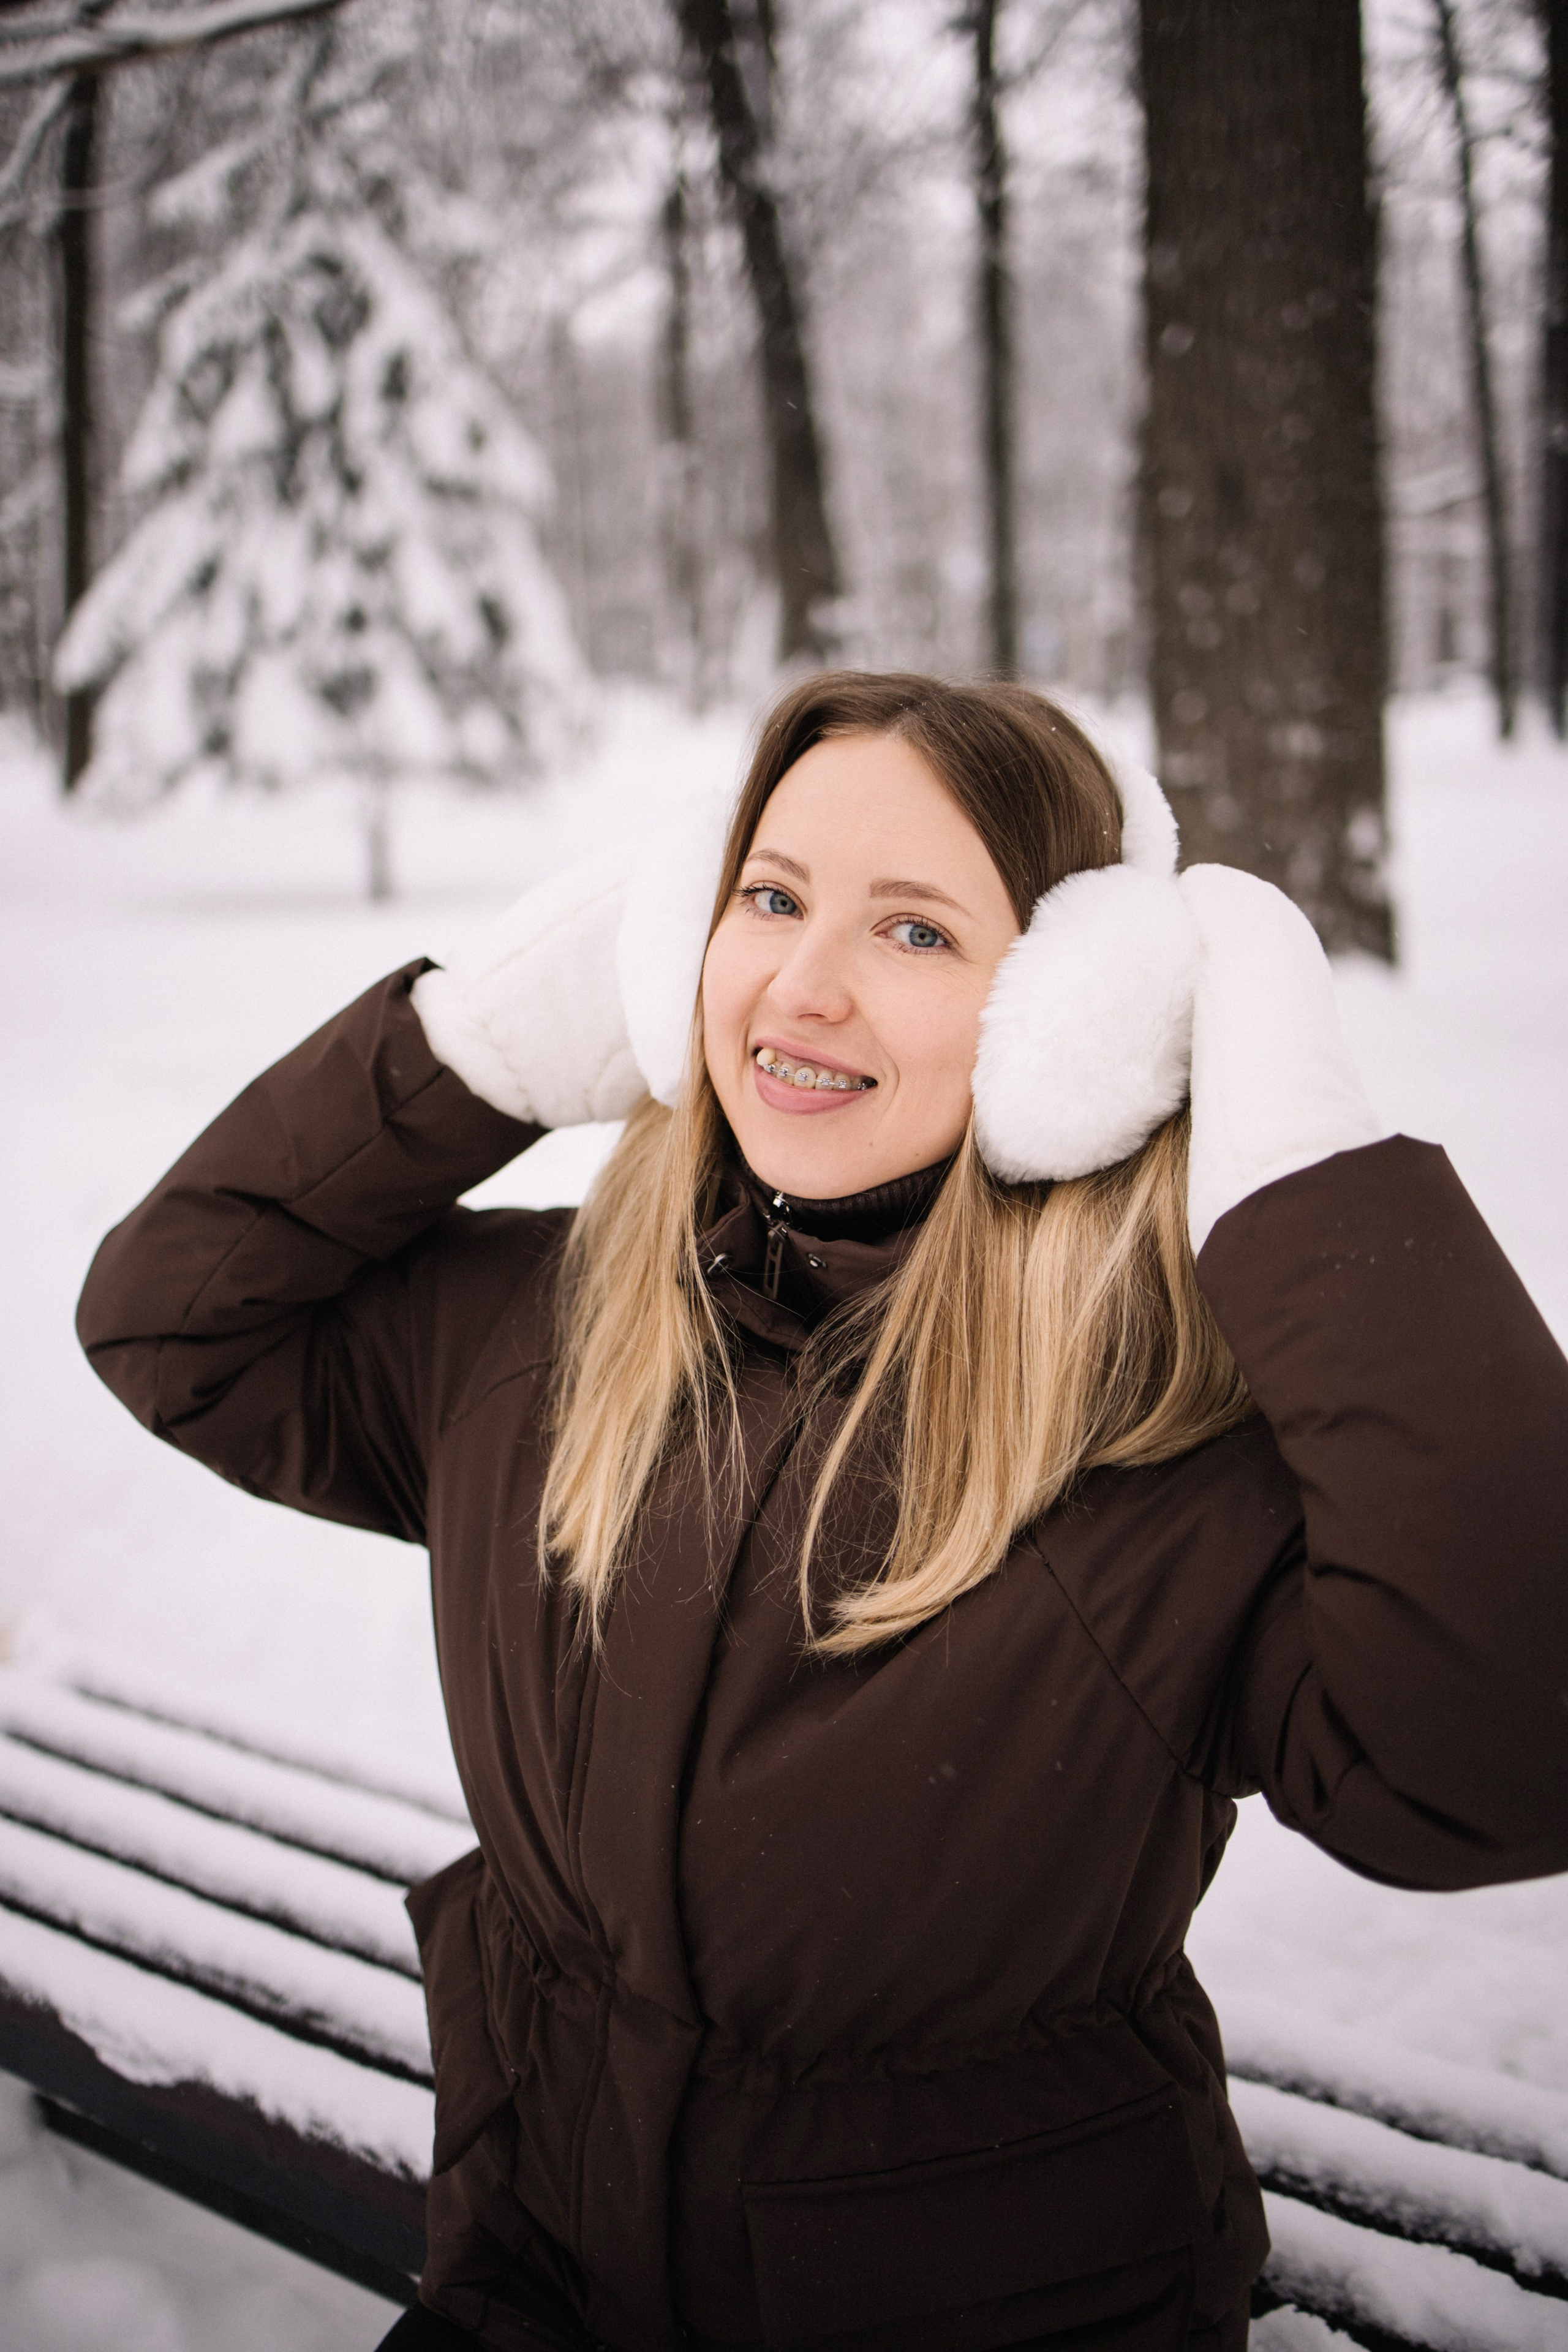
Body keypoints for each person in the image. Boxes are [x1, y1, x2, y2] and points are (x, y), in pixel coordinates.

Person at [77, 673, 1568, 2352]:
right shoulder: (546, 1333)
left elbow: (1501, 1762)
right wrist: (468, 1049)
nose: (801, 984)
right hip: (533, 2269)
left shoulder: (1167, 1460)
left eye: (916, 934)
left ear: (1075, 1023)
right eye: (768, 899)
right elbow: (173, 1321)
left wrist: (1305, 1173)